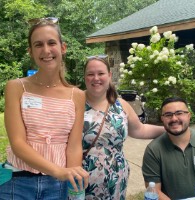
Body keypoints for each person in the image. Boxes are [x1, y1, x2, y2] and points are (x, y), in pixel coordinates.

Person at [0, 17, 88, 199]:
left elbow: (73, 146)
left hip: (58, 185)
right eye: (38, 45)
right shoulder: (16, 87)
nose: (46, 50)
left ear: (63, 48)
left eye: (51, 43)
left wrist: (73, 184)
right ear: (30, 51)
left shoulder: (77, 95)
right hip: (18, 181)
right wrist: (58, 171)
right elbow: (18, 144)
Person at [82, 55, 165, 199]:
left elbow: (139, 129)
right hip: (83, 180)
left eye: (101, 73)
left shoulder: (120, 104)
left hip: (117, 178)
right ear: (85, 77)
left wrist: (168, 130)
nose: (96, 78)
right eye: (90, 74)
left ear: (109, 75)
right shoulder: (75, 102)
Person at [142, 97, 195, 200]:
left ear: (188, 115)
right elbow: (154, 190)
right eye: (168, 115)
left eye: (179, 113)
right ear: (162, 119)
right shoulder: (153, 150)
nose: (174, 119)